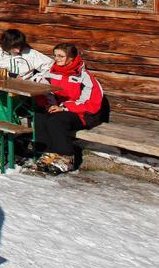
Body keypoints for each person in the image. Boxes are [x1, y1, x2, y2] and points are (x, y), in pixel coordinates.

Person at [34, 43, 108, 175]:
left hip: (82, 113)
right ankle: (47, 152)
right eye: (55, 55)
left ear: (71, 58)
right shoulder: (52, 71)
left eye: (61, 56)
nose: (57, 59)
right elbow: (43, 89)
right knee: (40, 115)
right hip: (58, 108)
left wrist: (63, 107)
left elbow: (91, 102)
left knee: (56, 120)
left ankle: (66, 156)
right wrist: (48, 103)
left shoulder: (84, 77)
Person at [0, 28, 52, 122]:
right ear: (5, 44)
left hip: (19, 91)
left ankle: (12, 133)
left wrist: (35, 79)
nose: (18, 50)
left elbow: (50, 65)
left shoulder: (29, 53)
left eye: (20, 46)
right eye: (15, 47)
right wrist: (10, 75)